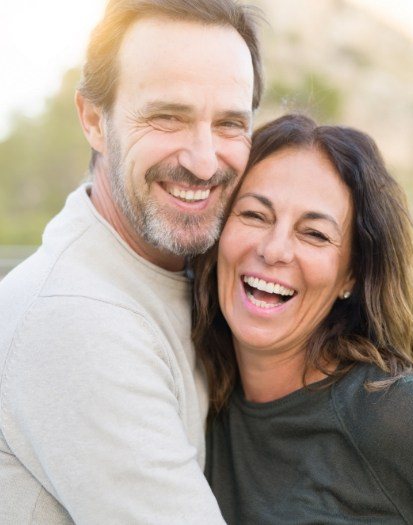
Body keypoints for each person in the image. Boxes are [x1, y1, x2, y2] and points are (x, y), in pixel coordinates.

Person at [0, 0, 263, 523]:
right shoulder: (75, 319)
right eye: (168, 117)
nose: (205, 160)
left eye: (230, 123)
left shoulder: (201, 272)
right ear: (94, 121)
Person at [194, 114, 413, 525]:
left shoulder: (390, 411)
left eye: (314, 233)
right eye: (254, 215)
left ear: (351, 275)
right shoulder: (190, 392)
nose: (274, 249)